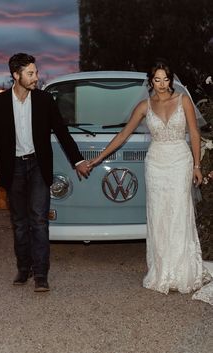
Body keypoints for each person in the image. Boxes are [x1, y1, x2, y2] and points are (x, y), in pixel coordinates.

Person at [88, 59, 212, 298]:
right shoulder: (145, 106)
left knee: (178, 212)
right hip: (156, 163)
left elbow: (194, 133)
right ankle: (162, 271)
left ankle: (183, 271)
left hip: (180, 160)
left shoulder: (183, 100)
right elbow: (123, 134)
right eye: (157, 79)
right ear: (151, 81)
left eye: (166, 79)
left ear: (171, 79)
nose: (162, 84)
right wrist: (98, 158)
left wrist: (197, 165)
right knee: (158, 214)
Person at [0, 53, 91, 292]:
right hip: (13, 169)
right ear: (16, 75)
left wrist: (78, 161)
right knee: (20, 223)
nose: (36, 77)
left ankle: (41, 274)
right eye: (30, 73)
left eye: (36, 72)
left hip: (38, 168)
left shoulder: (44, 100)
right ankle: (24, 268)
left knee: (39, 221)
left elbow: (62, 132)